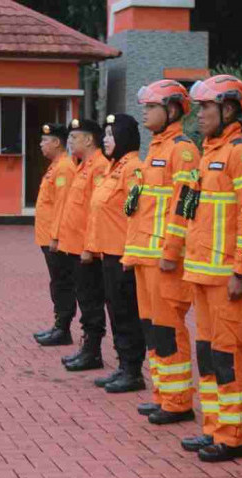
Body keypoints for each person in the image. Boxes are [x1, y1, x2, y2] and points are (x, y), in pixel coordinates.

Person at [178, 75, 242, 462]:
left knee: (229, 356)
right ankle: (214, 428)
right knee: (210, 355)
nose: (199, 115)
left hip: (225, 278)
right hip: (202, 273)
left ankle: (234, 436)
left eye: (205, 108)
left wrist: (240, 271)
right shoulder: (207, 151)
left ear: (228, 109)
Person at [122, 79, 200, 424]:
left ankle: (179, 401)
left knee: (169, 329)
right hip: (144, 257)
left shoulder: (182, 150)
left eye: (152, 107)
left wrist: (171, 251)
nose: (145, 113)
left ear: (172, 111)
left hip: (164, 260)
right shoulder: (156, 149)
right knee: (152, 329)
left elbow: (183, 206)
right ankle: (162, 394)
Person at [86, 113, 146, 392]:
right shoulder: (115, 168)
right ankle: (123, 365)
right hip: (108, 253)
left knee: (126, 314)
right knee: (116, 311)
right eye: (105, 135)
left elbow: (137, 212)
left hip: (123, 255)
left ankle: (132, 371)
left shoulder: (132, 168)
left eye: (111, 135)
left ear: (124, 137)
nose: (106, 140)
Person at [45, 119, 109, 372]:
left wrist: (89, 247)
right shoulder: (83, 167)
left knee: (92, 302)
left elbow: (96, 213)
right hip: (74, 247)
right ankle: (87, 349)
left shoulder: (99, 167)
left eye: (73, 138)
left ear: (89, 140)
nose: (69, 143)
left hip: (87, 250)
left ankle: (92, 352)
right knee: (84, 298)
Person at [32, 124, 77, 344]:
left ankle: (63, 328)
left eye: (44, 141)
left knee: (62, 282)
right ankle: (59, 325)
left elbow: (63, 205)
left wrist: (57, 236)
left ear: (57, 142)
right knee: (57, 282)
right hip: (47, 236)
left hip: (55, 238)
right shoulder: (55, 167)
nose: (41, 145)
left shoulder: (65, 168)